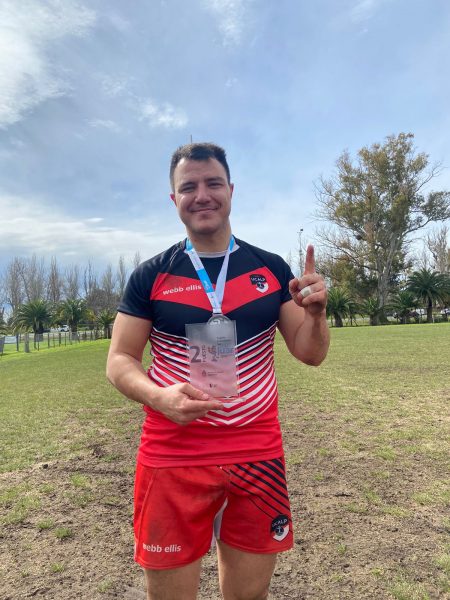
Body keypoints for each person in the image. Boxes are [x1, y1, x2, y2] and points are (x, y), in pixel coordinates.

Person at [106, 142, 329, 600]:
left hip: (256, 451)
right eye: (189, 187)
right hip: (173, 453)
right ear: (174, 199)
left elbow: (310, 353)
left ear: (231, 190)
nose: (202, 195)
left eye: (213, 183)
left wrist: (317, 314)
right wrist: (158, 397)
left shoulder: (270, 268)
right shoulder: (151, 275)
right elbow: (120, 359)